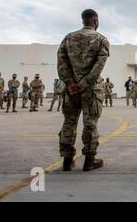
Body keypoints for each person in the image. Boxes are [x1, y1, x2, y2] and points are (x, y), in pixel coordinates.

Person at [57, 9, 110, 172]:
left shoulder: (68, 38)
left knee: (69, 122)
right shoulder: (101, 39)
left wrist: (71, 82)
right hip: (91, 90)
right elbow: (98, 66)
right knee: (90, 124)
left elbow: (61, 63)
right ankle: (89, 161)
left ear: (83, 20)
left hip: (71, 90)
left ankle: (67, 160)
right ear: (96, 21)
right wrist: (85, 83)